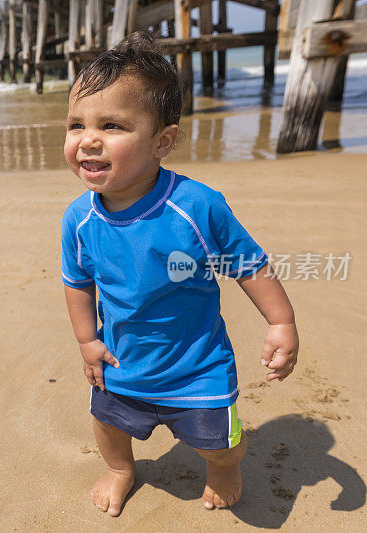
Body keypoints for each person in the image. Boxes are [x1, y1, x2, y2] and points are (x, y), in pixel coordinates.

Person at [61, 31, 299, 516]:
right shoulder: (79, 218)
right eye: (76, 125)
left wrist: (281, 322)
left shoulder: (196, 207)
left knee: (220, 441)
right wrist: (87, 341)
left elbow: (248, 265)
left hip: (197, 366)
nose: (87, 139)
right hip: (122, 361)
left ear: (162, 141)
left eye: (111, 125)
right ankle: (121, 469)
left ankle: (224, 468)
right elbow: (77, 283)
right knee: (106, 424)